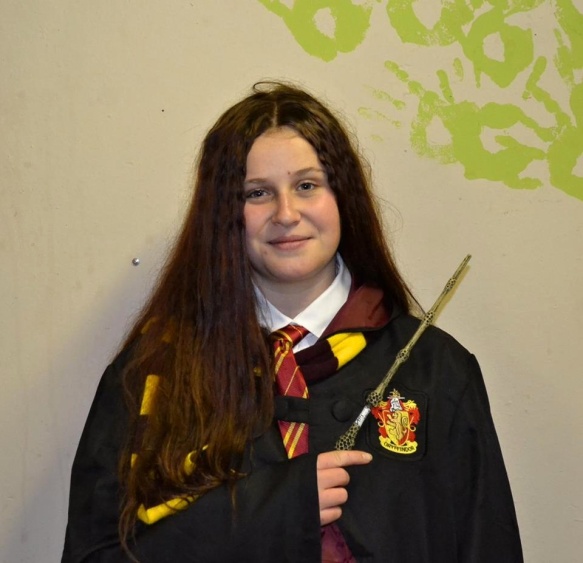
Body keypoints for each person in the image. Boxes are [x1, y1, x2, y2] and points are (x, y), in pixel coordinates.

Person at [62, 82, 523, 562]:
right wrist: (268, 511)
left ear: (342, 196)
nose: (286, 214)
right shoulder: (154, 373)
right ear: (223, 215)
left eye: (307, 185)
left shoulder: (436, 370)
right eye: (257, 193)